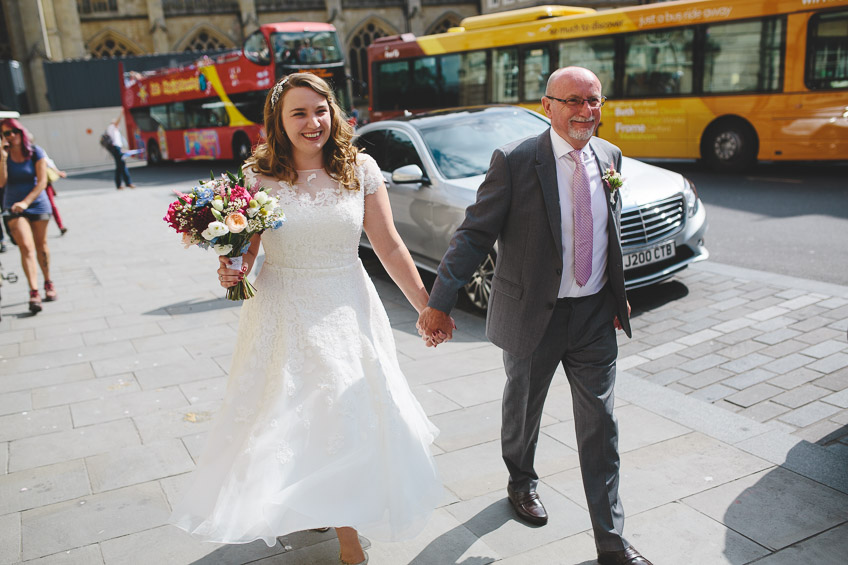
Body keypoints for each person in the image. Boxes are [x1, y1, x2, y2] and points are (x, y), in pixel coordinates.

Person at [168, 73, 443, 565]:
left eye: (320, 110)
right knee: (296, 414)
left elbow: (389, 246)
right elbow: (246, 256)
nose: (312, 122)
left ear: (332, 112)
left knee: (344, 409)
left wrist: (427, 305)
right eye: (298, 113)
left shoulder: (362, 169)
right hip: (283, 306)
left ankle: (344, 526)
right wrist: (231, 269)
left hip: (345, 302)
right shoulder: (257, 177)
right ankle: (336, 524)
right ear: (279, 120)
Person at [417, 66, 652, 565]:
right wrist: (439, 302)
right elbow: (474, 235)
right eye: (573, 101)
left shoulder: (609, 155)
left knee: (601, 427)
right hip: (532, 317)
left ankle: (611, 543)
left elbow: (608, 230)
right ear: (547, 106)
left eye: (594, 100)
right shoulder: (517, 161)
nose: (586, 111)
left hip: (592, 316)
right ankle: (520, 481)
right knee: (524, 411)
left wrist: (616, 294)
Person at [0, 118, 58, 313]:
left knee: (41, 245)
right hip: (13, 207)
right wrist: (2, 157)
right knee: (26, 246)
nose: (10, 136)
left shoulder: (35, 152)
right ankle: (34, 292)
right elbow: (2, 183)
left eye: (13, 132)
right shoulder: (3, 155)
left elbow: (42, 182)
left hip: (37, 203)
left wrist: (26, 201)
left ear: (20, 132)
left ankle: (48, 282)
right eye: (5, 134)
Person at [104, 114, 135, 189]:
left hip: (118, 148)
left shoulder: (115, 131)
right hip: (116, 149)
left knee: (119, 167)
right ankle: (128, 183)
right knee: (122, 166)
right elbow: (117, 122)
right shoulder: (111, 127)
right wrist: (121, 114)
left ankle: (120, 184)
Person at [43, 152, 68, 235]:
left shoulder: (36, 151)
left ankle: (60, 226)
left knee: (52, 205)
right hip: (28, 186)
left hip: (44, 183)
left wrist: (58, 172)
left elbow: (48, 162)